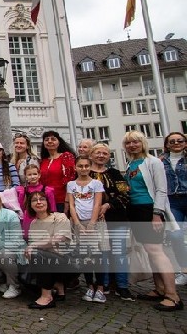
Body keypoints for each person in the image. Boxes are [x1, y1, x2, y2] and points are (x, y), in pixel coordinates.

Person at [122, 131, 183, 311]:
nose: (132, 145)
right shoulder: (131, 163)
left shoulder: (154, 162)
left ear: (143, 143)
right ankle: (160, 288)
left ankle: (173, 296)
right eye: (128, 143)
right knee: (150, 251)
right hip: (135, 209)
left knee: (156, 251)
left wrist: (157, 214)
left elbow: (161, 190)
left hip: (149, 209)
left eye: (135, 142)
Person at [89, 143, 134, 300]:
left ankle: (122, 286)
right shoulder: (85, 173)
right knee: (102, 252)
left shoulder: (114, 173)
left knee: (119, 251)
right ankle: (105, 283)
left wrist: (108, 205)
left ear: (109, 156)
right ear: (91, 154)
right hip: (95, 220)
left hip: (116, 217)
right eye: (98, 152)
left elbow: (125, 194)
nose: (101, 156)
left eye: (105, 153)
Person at [66, 156, 107, 304]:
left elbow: (97, 204)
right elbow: (72, 205)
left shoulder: (96, 183)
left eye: (86, 166)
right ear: (75, 167)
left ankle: (100, 288)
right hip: (79, 223)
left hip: (95, 223)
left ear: (90, 167)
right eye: (80, 166)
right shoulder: (71, 184)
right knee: (85, 255)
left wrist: (92, 223)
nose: (83, 169)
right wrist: (77, 224)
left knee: (98, 255)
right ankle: (90, 286)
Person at [24, 190, 73, 309]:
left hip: (66, 261)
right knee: (23, 277)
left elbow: (59, 239)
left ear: (47, 202)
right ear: (30, 205)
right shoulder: (33, 224)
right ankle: (58, 286)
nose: (39, 202)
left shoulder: (59, 217)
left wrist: (34, 246)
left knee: (37, 254)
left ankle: (47, 297)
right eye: (34, 200)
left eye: (42, 199)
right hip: (46, 262)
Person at [161, 132, 187, 285]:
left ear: (185, 143)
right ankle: (184, 270)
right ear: (167, 145)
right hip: (173, 202)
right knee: (175, 236)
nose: (176, 143)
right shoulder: (161, 161)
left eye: (180, 140)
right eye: (172, 141)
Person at [39, 130, 76, 213]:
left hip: (62, 200)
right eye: (46, 139)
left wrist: (67, 201)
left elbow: (70, 179)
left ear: (59, 142)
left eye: (53, 139)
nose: (49, 141)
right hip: (46, 200)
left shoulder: (66, 156)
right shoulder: (43, 161)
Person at [15, 164, 56, 239]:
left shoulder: (47, 190)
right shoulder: (23, 191)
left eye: (35, 174)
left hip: (44, 219)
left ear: (39, 175)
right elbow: (21, 208)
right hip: (29, 219)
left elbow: (52, 208)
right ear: (26, 177)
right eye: (29, 175)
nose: (32, 176)